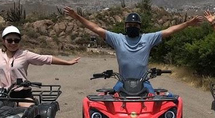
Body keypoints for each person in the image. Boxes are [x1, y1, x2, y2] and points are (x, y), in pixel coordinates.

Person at [63, 6, 203, 94]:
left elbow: (169, 30)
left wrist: (188, 23)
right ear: (125, 26)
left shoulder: (148, 39)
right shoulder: (117, 39)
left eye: (135, 25)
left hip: (144, 83)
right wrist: (77, 17)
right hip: (122, 82)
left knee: (155, 106)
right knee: (109, 106)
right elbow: (96, 28)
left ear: (139, 26)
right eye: (129, 24)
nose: (132, 27)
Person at [0, 16, 80, 100]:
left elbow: (46, 59)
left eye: (16, 40)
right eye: (9, 40)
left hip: (21, 94)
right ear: (4, 41)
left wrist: (67, 62)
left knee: (28, 116)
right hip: (2, 94)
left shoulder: (25, 55)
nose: (13, 43)